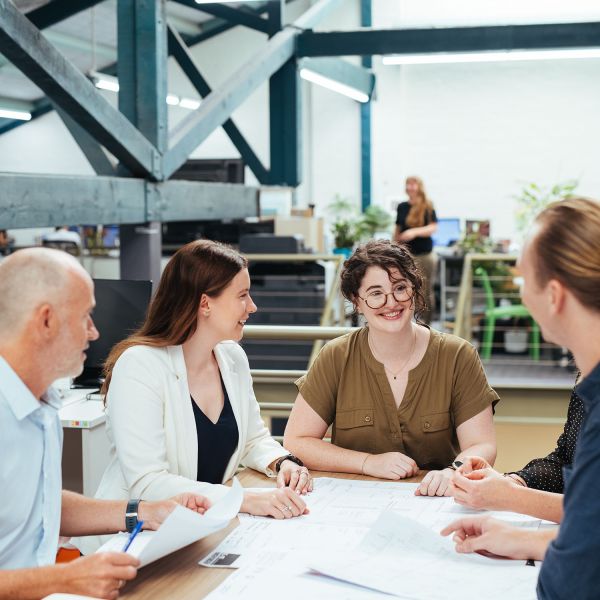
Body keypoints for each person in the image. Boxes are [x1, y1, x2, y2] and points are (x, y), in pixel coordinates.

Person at [0, 248, 211, 600]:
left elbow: (39, 502)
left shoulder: (41, 404)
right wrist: (61, 580)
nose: (95, 333)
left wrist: (143, 511)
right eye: (85, 317)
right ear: (46, 321)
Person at [77, 240, 311, 555]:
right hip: (134, 543)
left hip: (202, 532)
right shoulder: (140, 365)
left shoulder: (232, 357)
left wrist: (282, 461)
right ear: (205, 304)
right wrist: (244, 499)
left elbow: (254, 439)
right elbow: (147, 483)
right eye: (242, 295)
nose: (252, 306)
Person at [442, 197, 600, 598]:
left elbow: (573, 584)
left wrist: (513, 501)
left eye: (524, 279)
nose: (521, 293)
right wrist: (524, 537)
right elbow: (570, 463)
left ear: (554, 295)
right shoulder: (589, 382)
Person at [284, 239, 498, 497]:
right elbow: (297, 442)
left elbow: (482, 444)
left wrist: (453, 471)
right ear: (357, 301)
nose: (391, 302)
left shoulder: (458, 356)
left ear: (414, 289)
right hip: (352, 503)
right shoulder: (335, 356)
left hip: (435, 502)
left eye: (400, 288)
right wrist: (368, 463)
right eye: (375, 293)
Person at [449, 387, 583, 523]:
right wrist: (515, 481)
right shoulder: (586, 380)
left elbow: (592, 510)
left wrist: (509, 495)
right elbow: (565, 459)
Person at [393, 176, 438, 323]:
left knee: (424, 290)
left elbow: (433, 227)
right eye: (408, 184)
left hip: (424, 255)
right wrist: (393, 247)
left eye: (413, 184)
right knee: (407, 289)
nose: (410, 187)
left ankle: (426, 323)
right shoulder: (402, 207)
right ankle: (409, 323)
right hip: (407, 256)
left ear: (419, 187)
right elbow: (398, 229)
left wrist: (414, 232)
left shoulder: (427, 205)